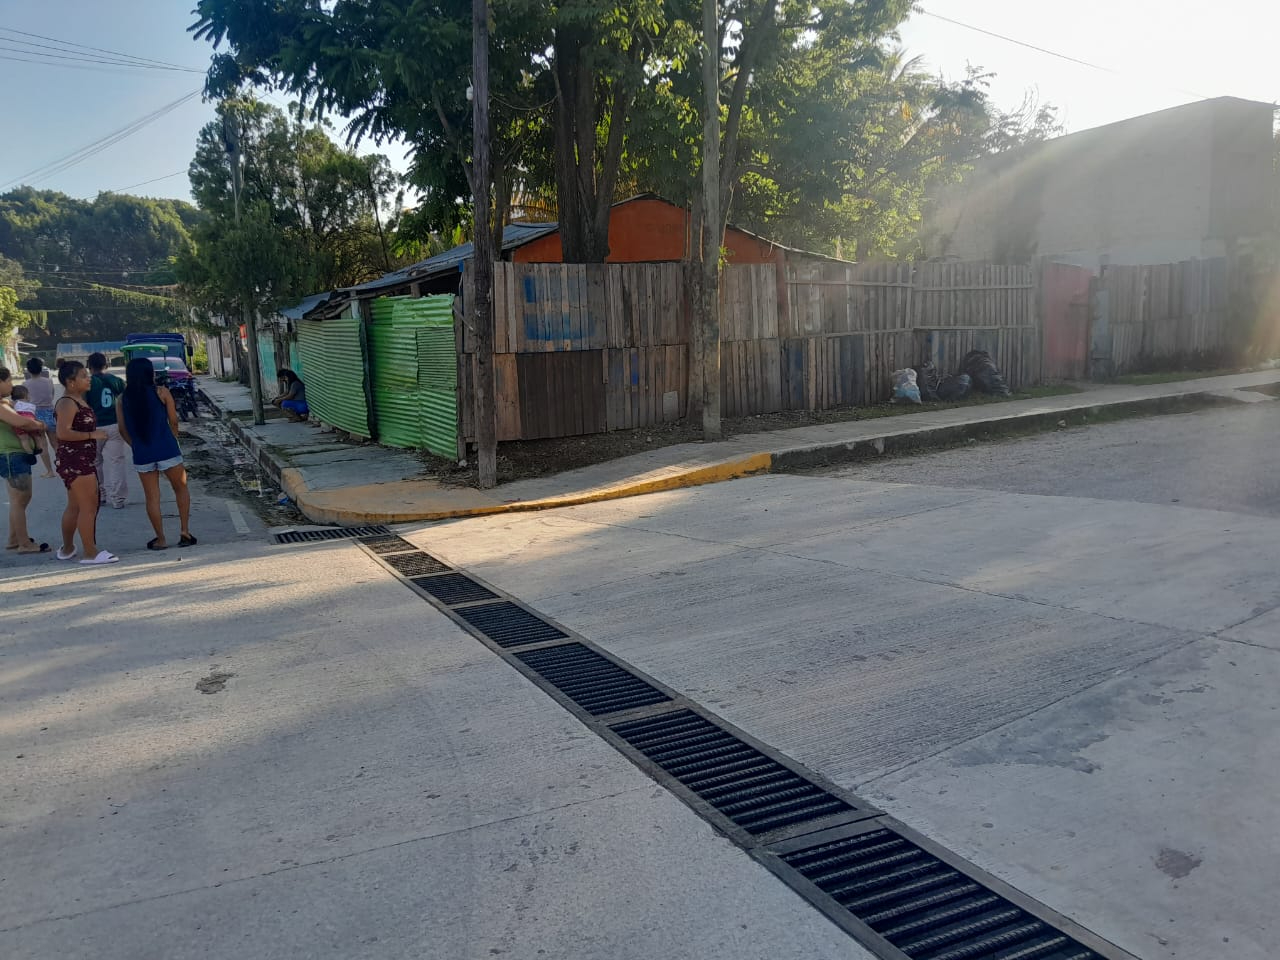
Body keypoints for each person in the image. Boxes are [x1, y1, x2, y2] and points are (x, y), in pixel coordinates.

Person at [117, 357, 195, 550]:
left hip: (143, 453)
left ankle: (160, 539)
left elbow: (122, 429)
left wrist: (135, 445)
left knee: (152, 497)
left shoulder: (122, 399)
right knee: (181, 488)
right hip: (167, 448)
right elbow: (174, 420)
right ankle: (184, 531)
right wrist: (173, 438)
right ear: (149, 373)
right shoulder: (161, 392)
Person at [53, 360, 116, 565]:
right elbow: (63, 432)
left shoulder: (78, 400)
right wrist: (93, 434)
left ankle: (68, 548)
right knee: (89, 505)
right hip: (76, 460)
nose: (88, 378)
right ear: (71, 382)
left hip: (81, 458)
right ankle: (90, 552)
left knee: (75, 505)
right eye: (82, 376)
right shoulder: (67, 403)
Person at [0, 366, 51, 553]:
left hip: (13, 454)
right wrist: (39, 425)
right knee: (19, 499)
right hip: (10, 454)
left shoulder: (5, 403)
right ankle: (24, 543)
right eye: (8, 381)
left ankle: (14, 539)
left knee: (20, 497)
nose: (11, 385)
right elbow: (21, 422)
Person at [87, 352, 128, 508]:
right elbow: (126, 400)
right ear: (107, 365)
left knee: (95, 462)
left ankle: (100, 495)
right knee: (116, 461)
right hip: (115, 425)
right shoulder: (117, 381)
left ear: (89, 367)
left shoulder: (88, 383)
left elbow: (83, 404)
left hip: (95, 427)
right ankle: (117, 499)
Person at [10, 384, 56, 477]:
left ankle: (48, 469)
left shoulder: (25, 384)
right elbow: (52, 395)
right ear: (27, 395)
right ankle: (62, 464)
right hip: (46, 413)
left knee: (26, 440)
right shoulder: (48, 382)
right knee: (53, 443)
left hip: (25, 421)